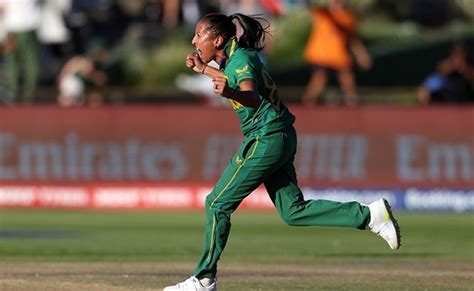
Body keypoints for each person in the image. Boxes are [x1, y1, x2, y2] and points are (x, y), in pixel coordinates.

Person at [164, 13, 400, 291]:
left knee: (217, 204)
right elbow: (232, 78)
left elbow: (250, 96)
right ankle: (369, 215)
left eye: (198, 34)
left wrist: (230, 92)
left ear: (217, 39)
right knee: (293, 212)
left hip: (267, 137)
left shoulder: (240, 60)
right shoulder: (237, 58)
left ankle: (204, 279)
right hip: (280, 135)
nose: (193, 40)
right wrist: (204, 69)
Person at [302, 0, 371, 106]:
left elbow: (352, 39)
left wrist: (362, 55)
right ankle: (307, 107)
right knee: (319, 80)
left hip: (338, 54)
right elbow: (310, 4)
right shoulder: (322, 12)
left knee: (347, 81)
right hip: (320, 53)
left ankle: (354, 108)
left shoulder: (348, 17)